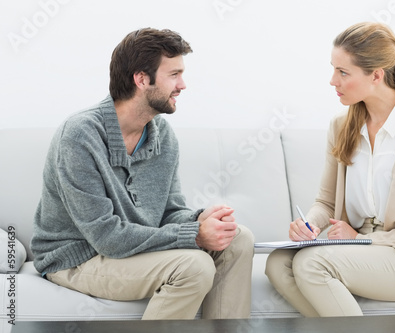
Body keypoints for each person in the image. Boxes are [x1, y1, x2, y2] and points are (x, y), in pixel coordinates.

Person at [30, 28, 254, 320]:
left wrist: (198, 219)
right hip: (78, 258)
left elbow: (169, 212)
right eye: (174, 74)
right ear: (142, 79)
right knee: (194, 266)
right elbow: (107, 237)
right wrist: (195, 235)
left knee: (238, 237)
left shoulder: (162, 135)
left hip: (129, 250)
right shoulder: (80, 136)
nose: (183, 85)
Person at [265, 22, 395, 317]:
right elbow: (326, 202)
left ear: (376, 75)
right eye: (333, 69)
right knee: (278, 262)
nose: (332, 81)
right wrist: (311, 225)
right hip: (361, 245)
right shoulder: (341, 125)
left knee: (312, 264)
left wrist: (363, 239)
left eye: (343, 72)